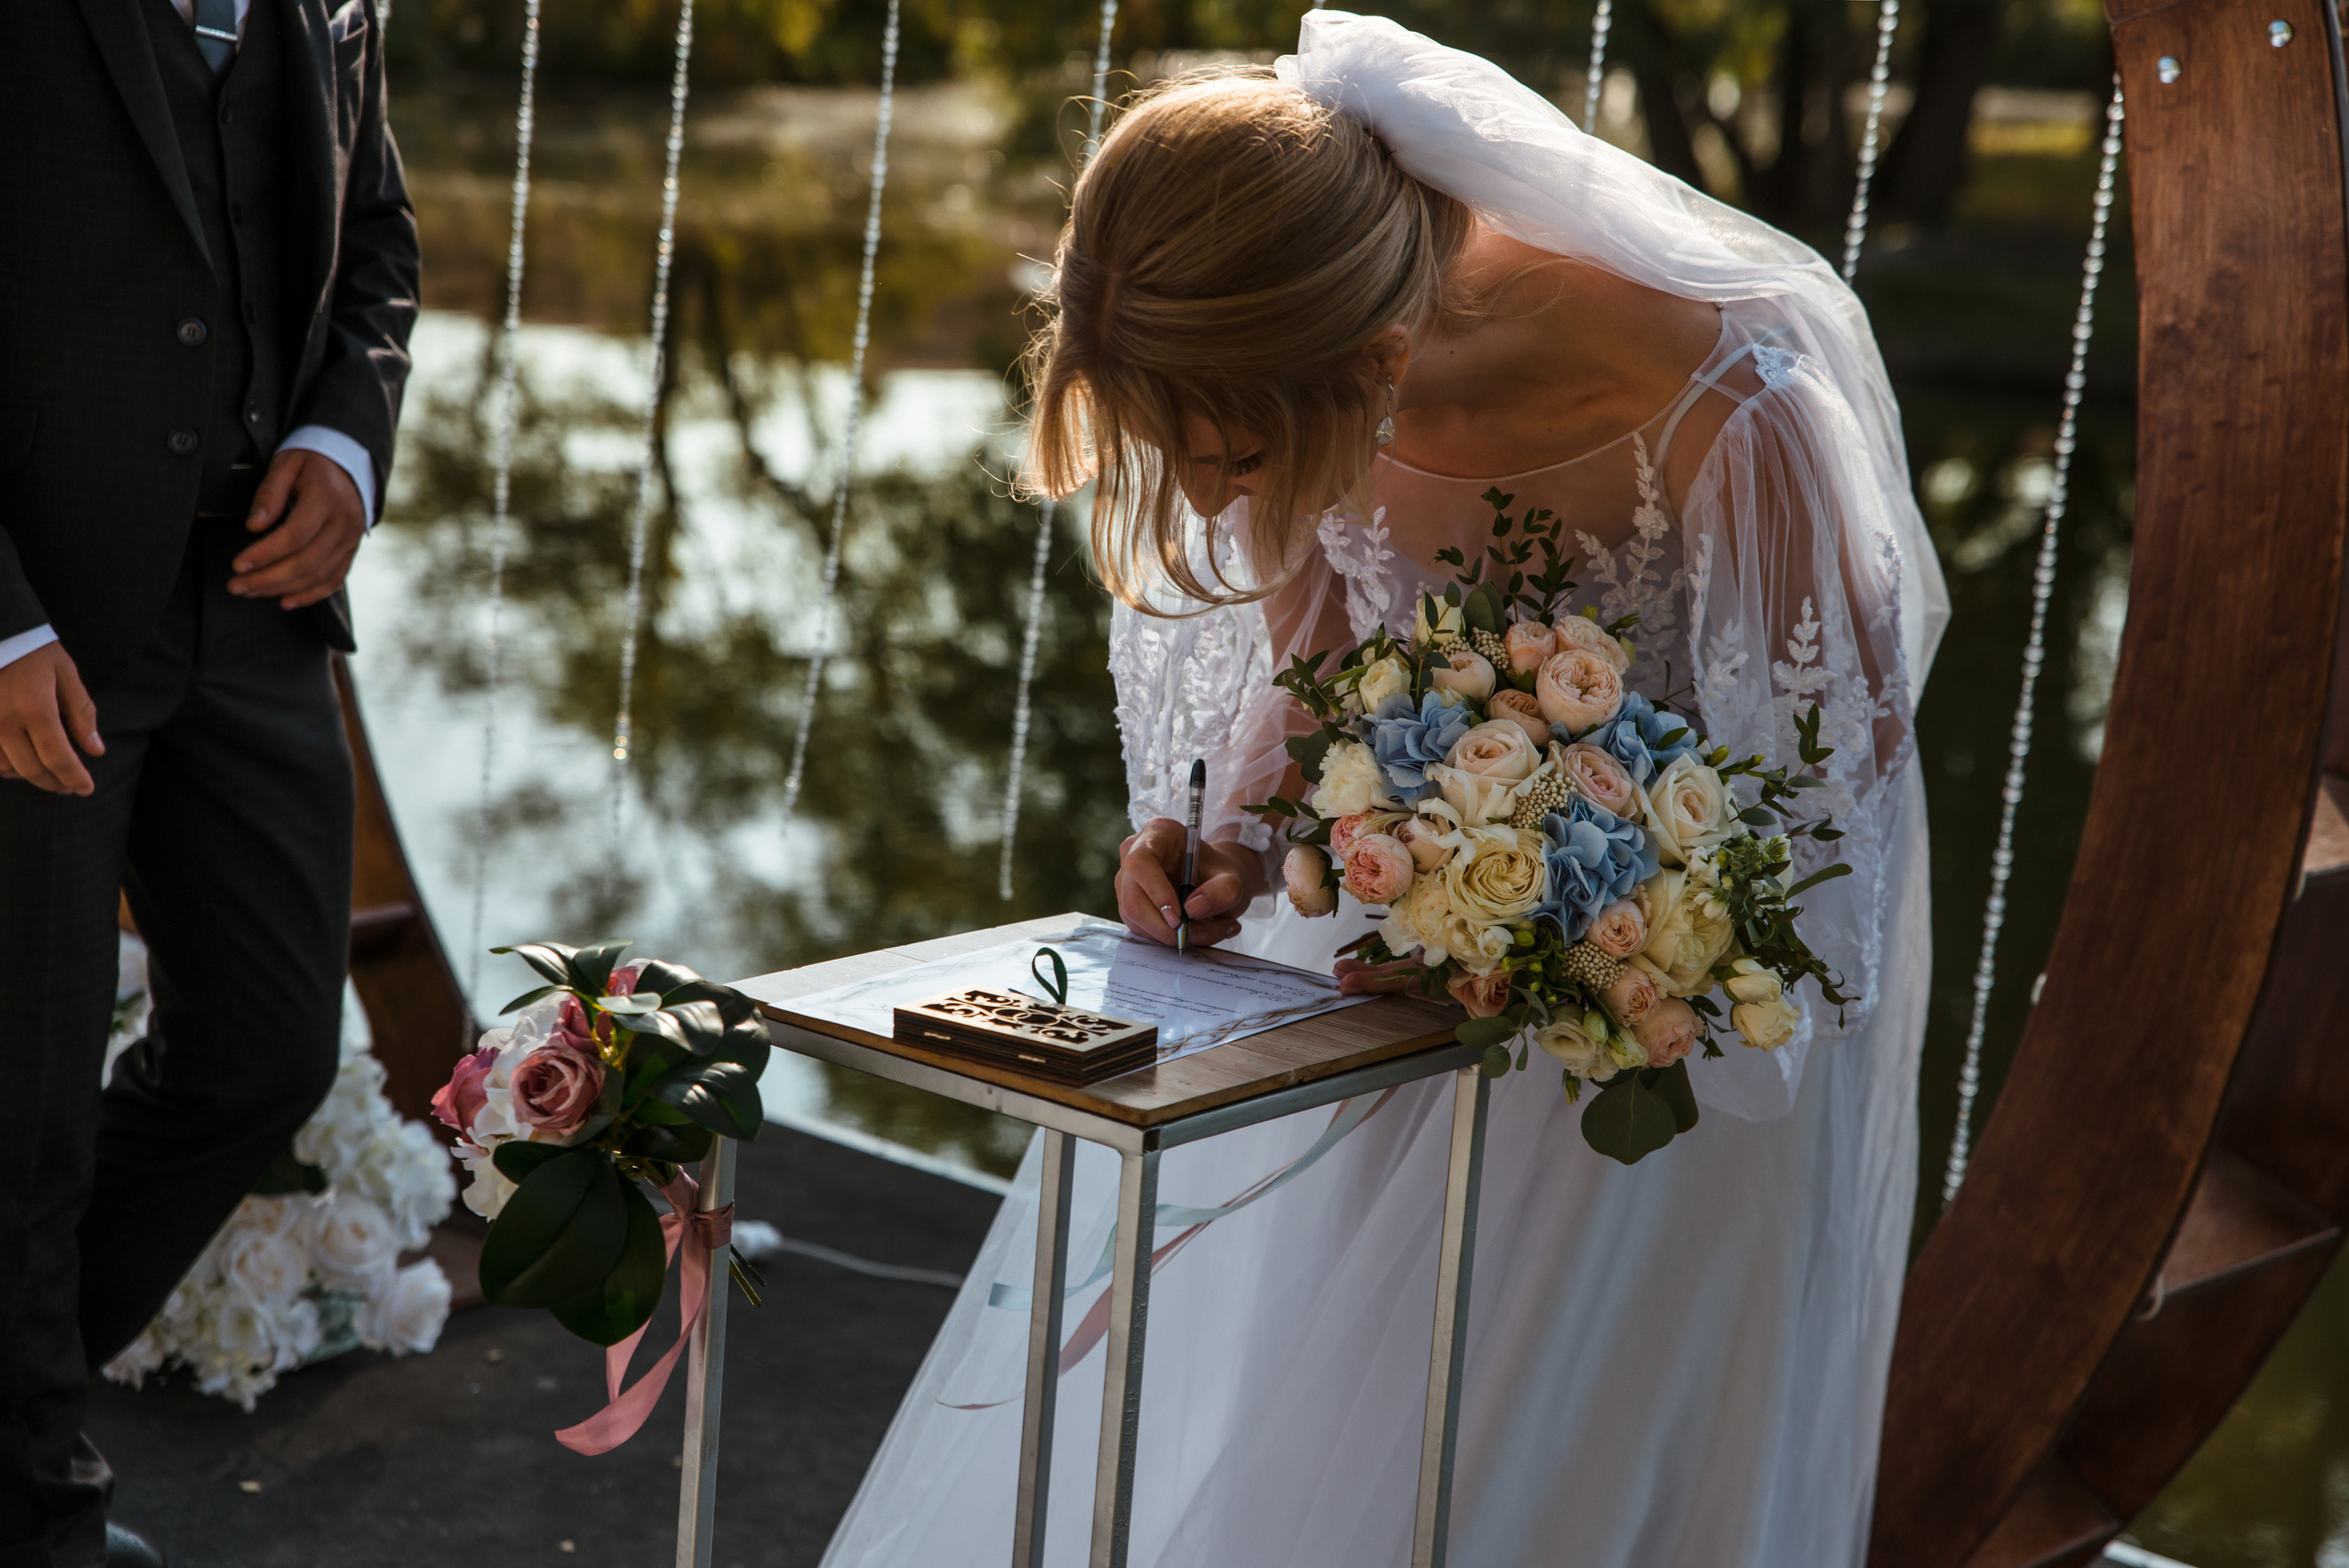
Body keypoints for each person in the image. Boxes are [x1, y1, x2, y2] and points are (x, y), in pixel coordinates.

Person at [820, 14, 1944, 1566]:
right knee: (1324, 1470)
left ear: (1362, 361)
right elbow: (1320, 682)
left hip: (1652, 1061)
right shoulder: (1318, 397)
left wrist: (1578, 886)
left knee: (1535, 1485)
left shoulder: (1733, 403)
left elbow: (1840, 817)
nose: (1216, 496)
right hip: (1387, 1013)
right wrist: (1222, 842)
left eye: (1223, 452)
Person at [0, 0, 416, 1558]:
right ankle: (34, 1505)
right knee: (19, 1111)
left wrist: (346, 438)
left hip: (255, 608)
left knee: (262, 1047)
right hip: (37, 622)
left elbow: (376, 237)